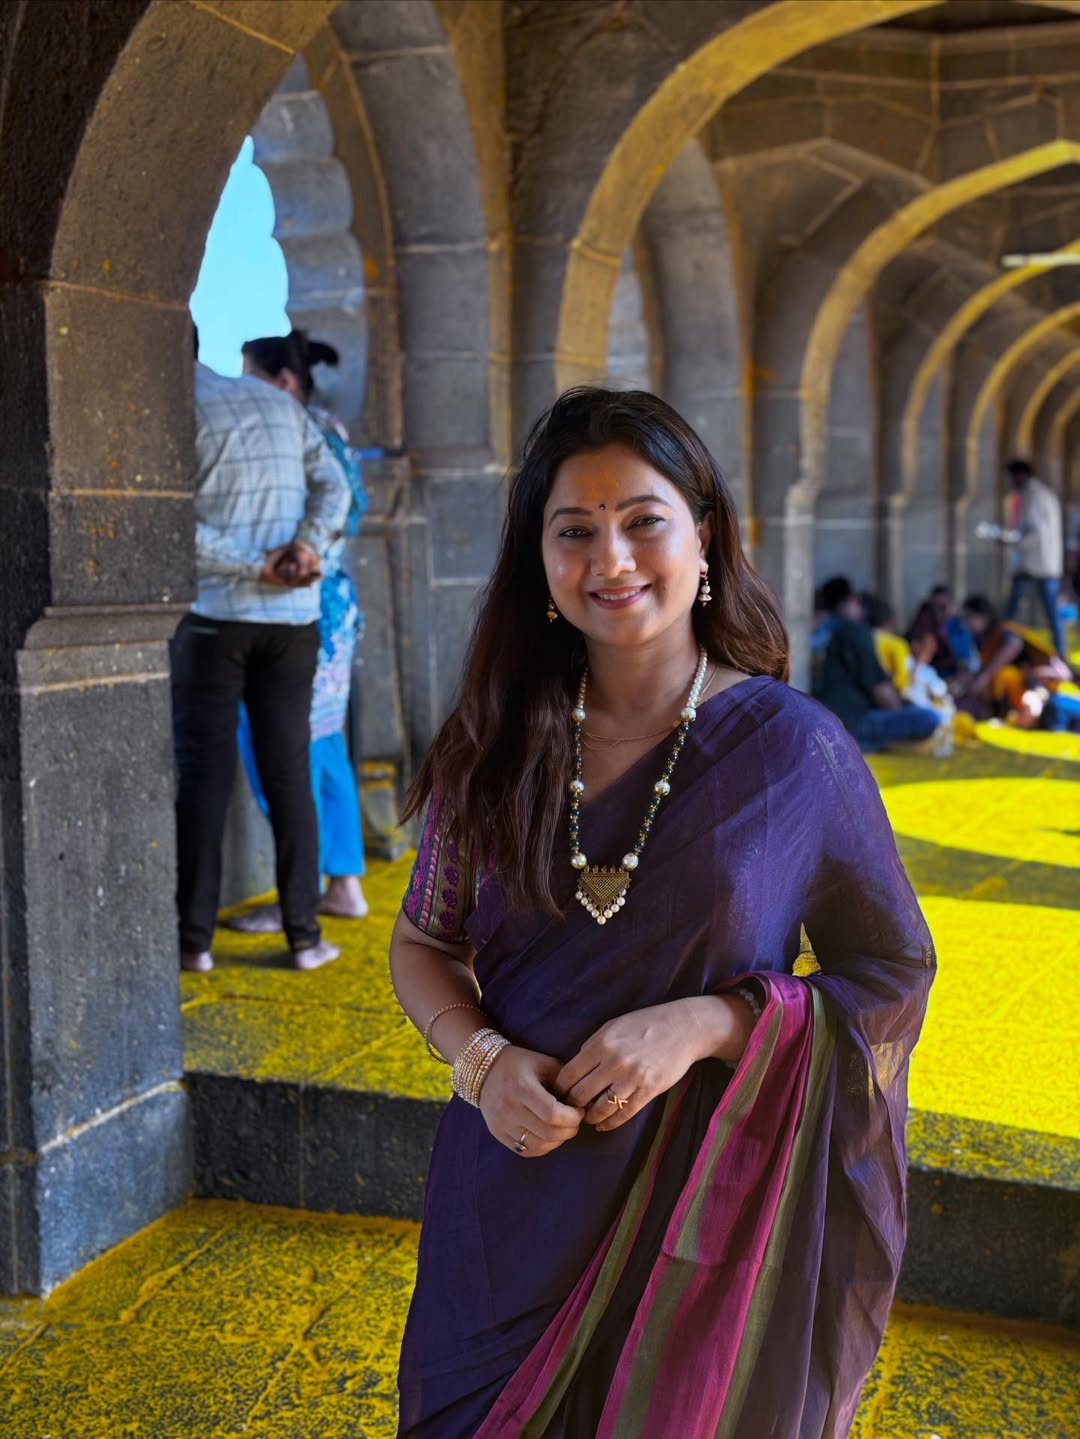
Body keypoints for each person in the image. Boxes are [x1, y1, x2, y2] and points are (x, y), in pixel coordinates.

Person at [389, 389, 934, 1437]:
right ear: (539, 560)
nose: (612, 559)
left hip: (702, 1203)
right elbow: (423, 940)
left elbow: (892, 973)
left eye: (644, 519)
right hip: (505, 1193)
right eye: (574, 530)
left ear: (706, 537)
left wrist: (712, 1022)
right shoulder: (492, 741)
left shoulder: (795, 752)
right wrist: (483, 1061)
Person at [172, 330, 350, 973]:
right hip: (292, 619)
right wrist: (305, 551)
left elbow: (161, 519)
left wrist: (254, 565)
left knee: (204, 777)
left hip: (216, 619)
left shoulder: (166, 407)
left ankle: (194, 943)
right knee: (290, 773)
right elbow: (336, 489)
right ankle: (305, 938)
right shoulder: (275, 402)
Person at [226, 330, 381, 931]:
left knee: (281, 750)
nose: (243, 391)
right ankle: (344, 884)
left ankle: (303, 888)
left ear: (283, 383)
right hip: (335, 609)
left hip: (295, 608)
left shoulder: (287, 433)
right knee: (321, 746)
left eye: (251, 377)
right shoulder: (330, 431)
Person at [817, 576, 940, 752]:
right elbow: (880, 689)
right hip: (852, 722)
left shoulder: (820, 631)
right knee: (930, 718)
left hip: (823, 720)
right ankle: (870, 743)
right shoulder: (853, 630)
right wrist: (899, 710)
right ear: (853, 600)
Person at [956, 594, 1072, 719]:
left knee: (1004, 676)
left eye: (969, 617)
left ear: (984, 616)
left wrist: (984, 677)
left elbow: (1014, 645)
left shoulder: (1003, 629)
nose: (966, 623)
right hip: (1024, 684)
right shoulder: (982, 639)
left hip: (1043, 681)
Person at [1000, 457, 1066, 657]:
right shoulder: (1044, 494)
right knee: (1051, 614)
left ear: (1020, 475)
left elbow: (1033, 534)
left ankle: (1003, 648)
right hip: (1047, 563)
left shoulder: (1032, 496)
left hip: (1034, 565)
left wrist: (1011, 542)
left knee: (1011, 613)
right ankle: (1059, 653)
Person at [906, 584, 978, 678]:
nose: (939, 612)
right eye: (936, 607)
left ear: (952, 606)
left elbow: (964, 658)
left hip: (953, 673)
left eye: (943, 607)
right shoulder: (924, 619)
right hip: (927, 670)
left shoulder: (959, 626)